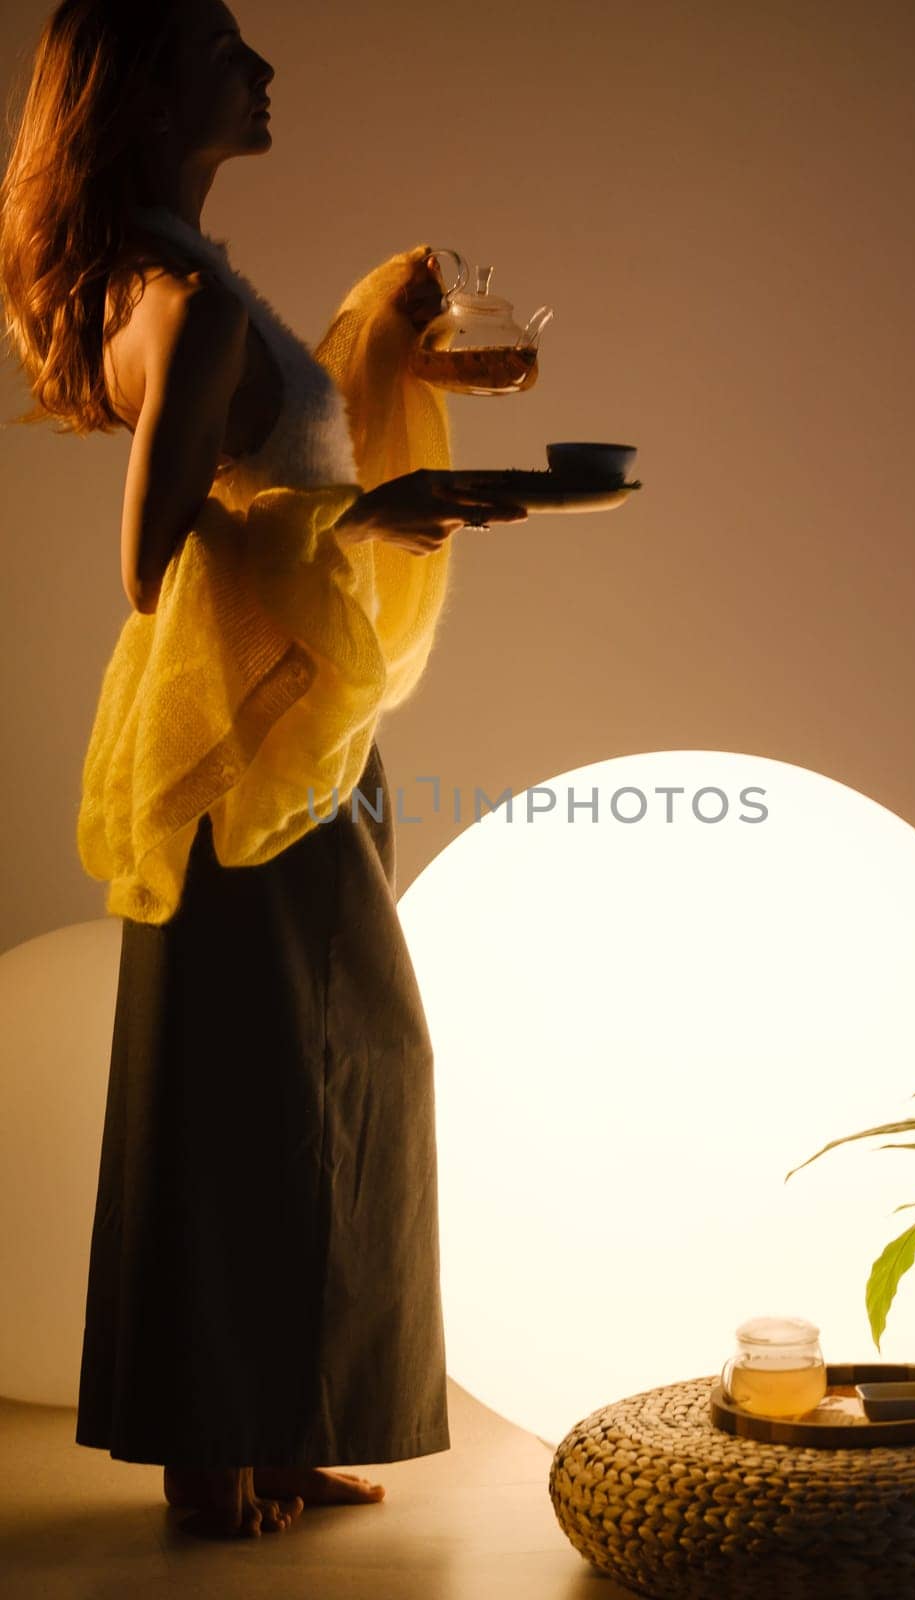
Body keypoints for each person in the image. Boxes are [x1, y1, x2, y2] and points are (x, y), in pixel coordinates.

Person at [0, 0, 528, 1541]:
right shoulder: (184, 295)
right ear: (163, 84)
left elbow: (277, 460)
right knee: (253, 1082)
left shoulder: (193, 277)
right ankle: (208, 1441)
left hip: (300, 731)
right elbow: (154, 561)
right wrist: (373, 518)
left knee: (326, 1070)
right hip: (245, 746)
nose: (267, 68)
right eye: (233, 47)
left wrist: (401, 343)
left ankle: (277, 1420)